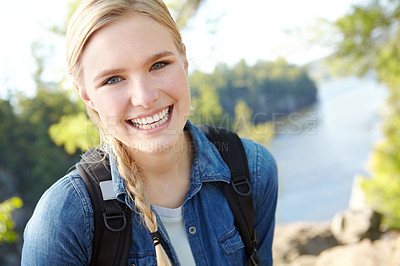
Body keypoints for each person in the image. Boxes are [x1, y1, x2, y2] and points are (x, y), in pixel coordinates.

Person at [21, 0, 278, 265]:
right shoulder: (63, 219)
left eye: (159, 65)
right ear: (86, 96)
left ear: (184, 61)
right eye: (113, 79)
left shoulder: (253, 169)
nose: (144, 98)